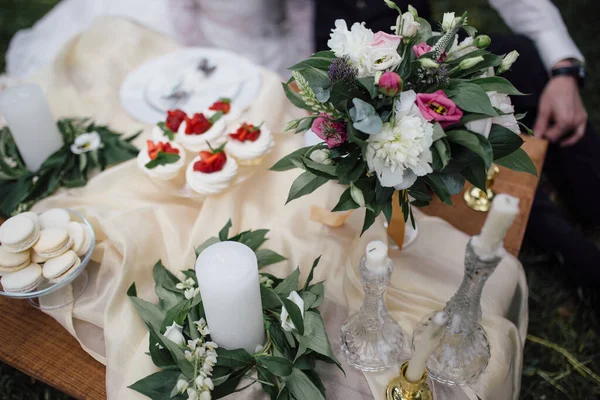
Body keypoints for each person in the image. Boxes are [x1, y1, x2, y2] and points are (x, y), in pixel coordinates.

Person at [314, 0, 600, 287]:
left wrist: (565, 72)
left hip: (427, 63)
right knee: (464, 154)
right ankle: (572, 251)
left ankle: (589, 189)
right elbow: (273, 54)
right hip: (353, 95)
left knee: (522, 54)